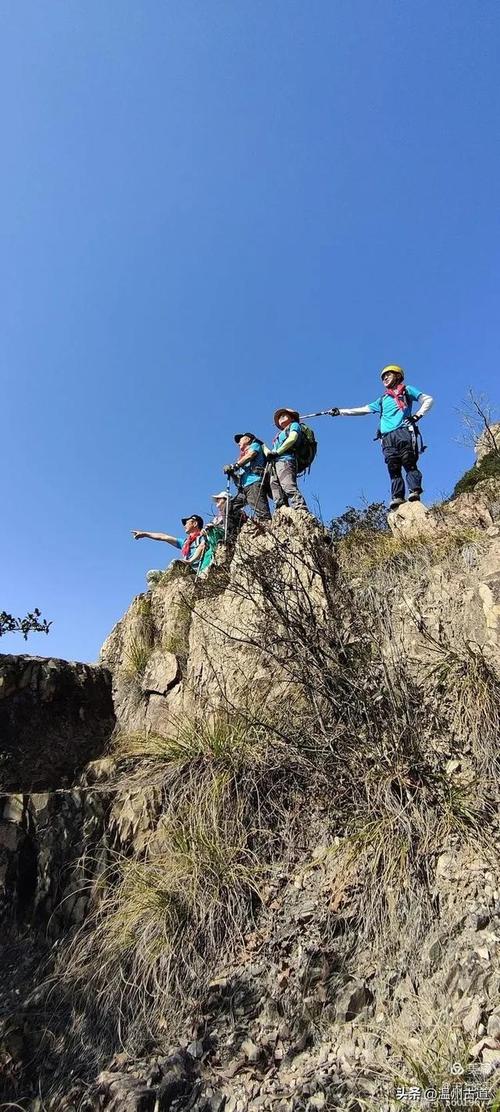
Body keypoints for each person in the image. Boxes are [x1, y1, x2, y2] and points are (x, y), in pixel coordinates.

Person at [330, 366, 433, 510]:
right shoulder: (382, 399)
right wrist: (340, 411)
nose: (384, 378)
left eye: (388, 375)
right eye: (383, 376)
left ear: (397, 376)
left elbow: (428, 399)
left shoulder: (406, 390)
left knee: (408, 462)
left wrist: (417, 416)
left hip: (403, 431)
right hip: (386, 437)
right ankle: (398, 497)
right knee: (393, 467)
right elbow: (363, 410)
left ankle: (414, 491)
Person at [132, 514, 207, 574]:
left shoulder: (203, 536)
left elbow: (202, 546)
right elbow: (163, 537)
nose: (184, 526)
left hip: (195, 570)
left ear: (195, 523)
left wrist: (190, 561)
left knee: (175, 562)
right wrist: (144, 534)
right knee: (151, 574)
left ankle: (168, 580)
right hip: (184, 569)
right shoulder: (185, 542)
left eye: (187, 522)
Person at [267, 408, 309, 512]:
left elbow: (292, 438)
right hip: (275, 463)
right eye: (279, 417)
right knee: (276, 490)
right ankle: (282, 511)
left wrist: (278, 452)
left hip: (286, 460)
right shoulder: (278, 434)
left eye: (284, 415)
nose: (281, 418)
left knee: (288, 486)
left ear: (292, 417)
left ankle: (301, 509)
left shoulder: (294, 425)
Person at [224, 433, 272, 523]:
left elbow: (251, 455)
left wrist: (235, 465)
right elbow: (239, 479)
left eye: (240, 440)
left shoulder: (255, 445)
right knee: (228, 508)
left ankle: (267, 528)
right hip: (244, 488)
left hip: (254, 482)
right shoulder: (242, 456)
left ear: (247, 439)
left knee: (261, 512)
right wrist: (233, 474)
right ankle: (234, 532)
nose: (238, 443)